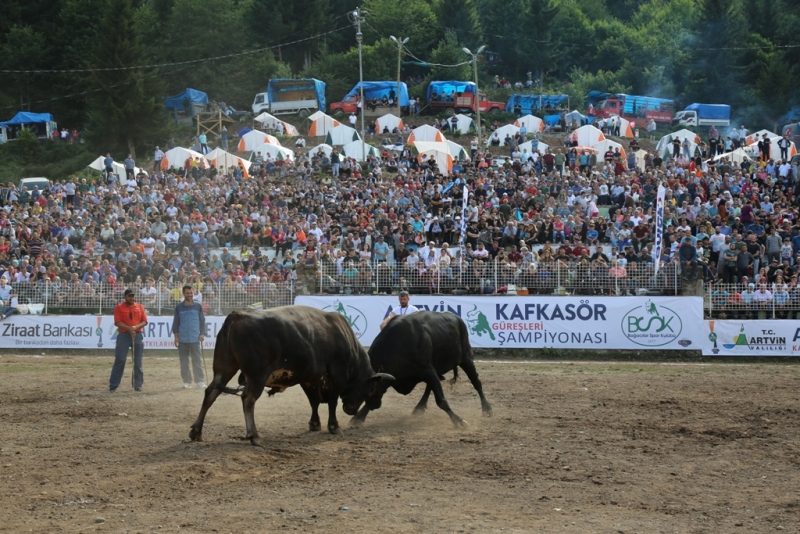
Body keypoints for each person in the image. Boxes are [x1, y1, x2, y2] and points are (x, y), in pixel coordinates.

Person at [109, 288, 148, 392]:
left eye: (133, 296)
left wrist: (135, 327)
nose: (132, 298)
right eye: (130, 296)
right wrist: (130, 328)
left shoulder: (140, 306)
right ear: (125, 297)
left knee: (138, 361)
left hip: (137, 334)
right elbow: (117, 322)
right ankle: (113, 385)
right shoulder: (119, 307)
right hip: (123, 335)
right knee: (120, 359)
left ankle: (138, 384)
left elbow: (144, 321)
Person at [172, 285, 206, 389]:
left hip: (195, 338)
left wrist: (202, 334)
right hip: (183, 339)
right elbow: (176, 323)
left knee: (197, 361)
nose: (190, 295)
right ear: (184, 294)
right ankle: (187, 382)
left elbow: (202, 321)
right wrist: (176, 337)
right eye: (187, 293)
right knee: (184, 362)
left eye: (191, 293)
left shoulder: (198, 306)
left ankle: (200, 381)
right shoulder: (179, 307)